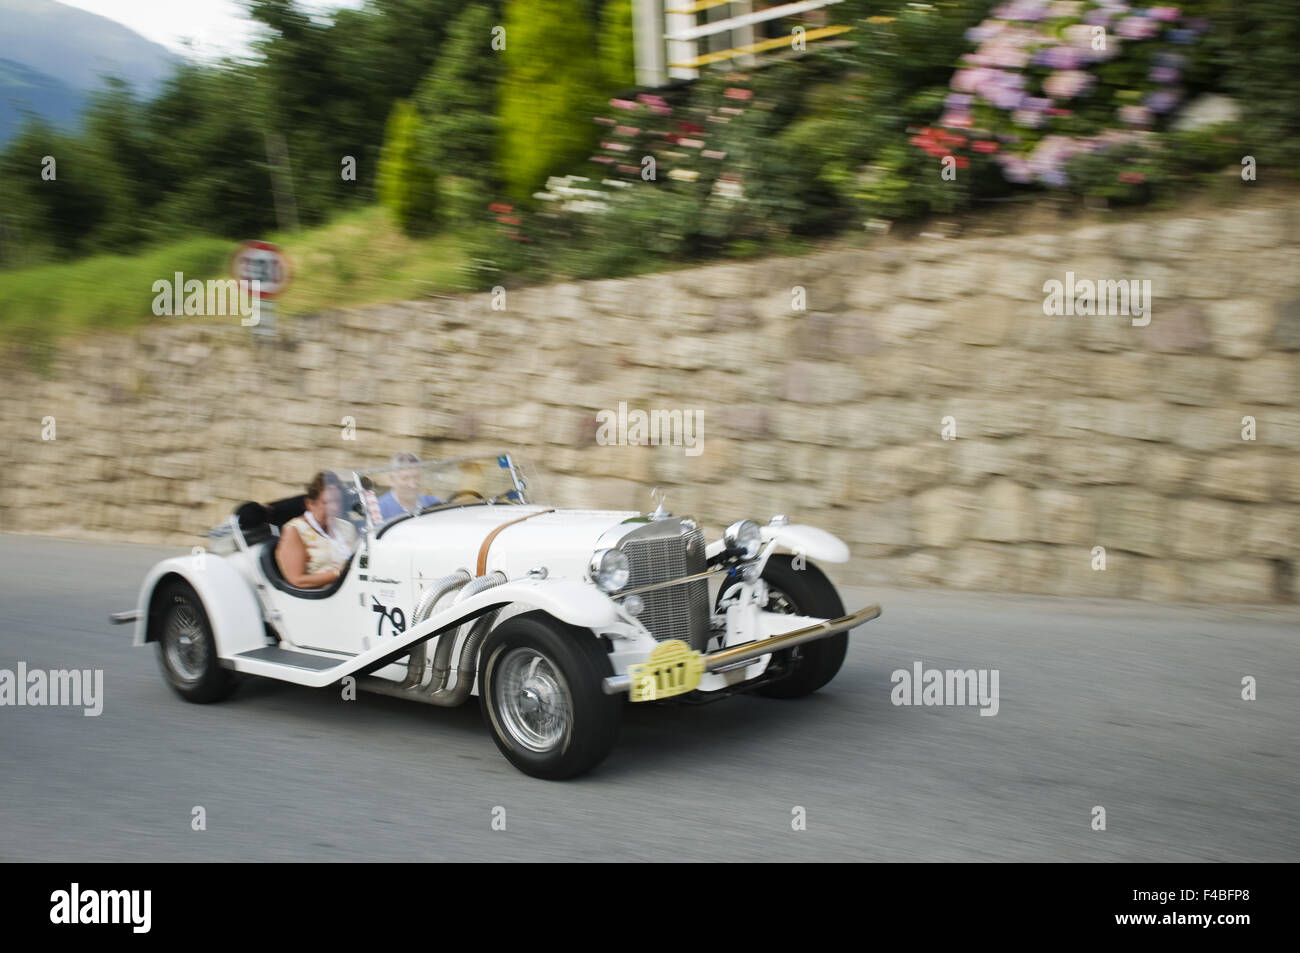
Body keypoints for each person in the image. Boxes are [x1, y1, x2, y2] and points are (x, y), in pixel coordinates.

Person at [276, 472, 358, 588]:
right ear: (310, 504)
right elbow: (297, 580)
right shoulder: (294, 531)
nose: (334, 508)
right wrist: (340, 573)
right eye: (327, 502)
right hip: (319, 598)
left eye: (337, 501)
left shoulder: (348, 527)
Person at [376, 452, 439, 520]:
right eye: (405, 478)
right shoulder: (379, 511)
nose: (413, 485)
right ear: (392, 480)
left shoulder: (433, 503)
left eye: (417, 477)